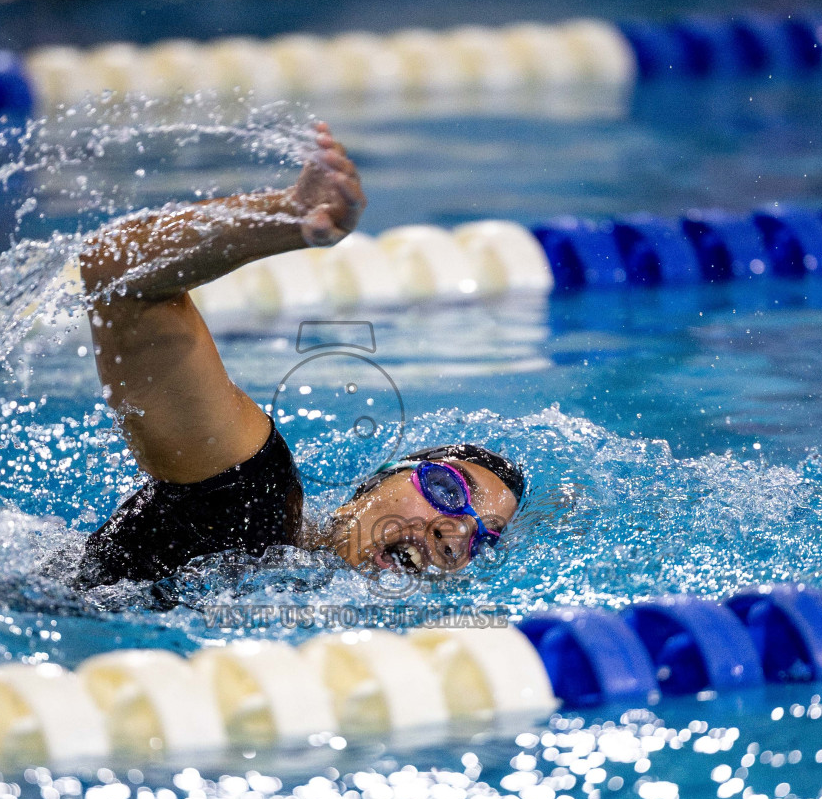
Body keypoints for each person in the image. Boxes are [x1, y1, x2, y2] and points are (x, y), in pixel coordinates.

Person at [71, 122, 525, 590]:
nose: (453, 533)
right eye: (447, 490)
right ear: (373, 483)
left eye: (482, 539)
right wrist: (285, 216)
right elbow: (118, 274)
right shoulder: (250, 500)